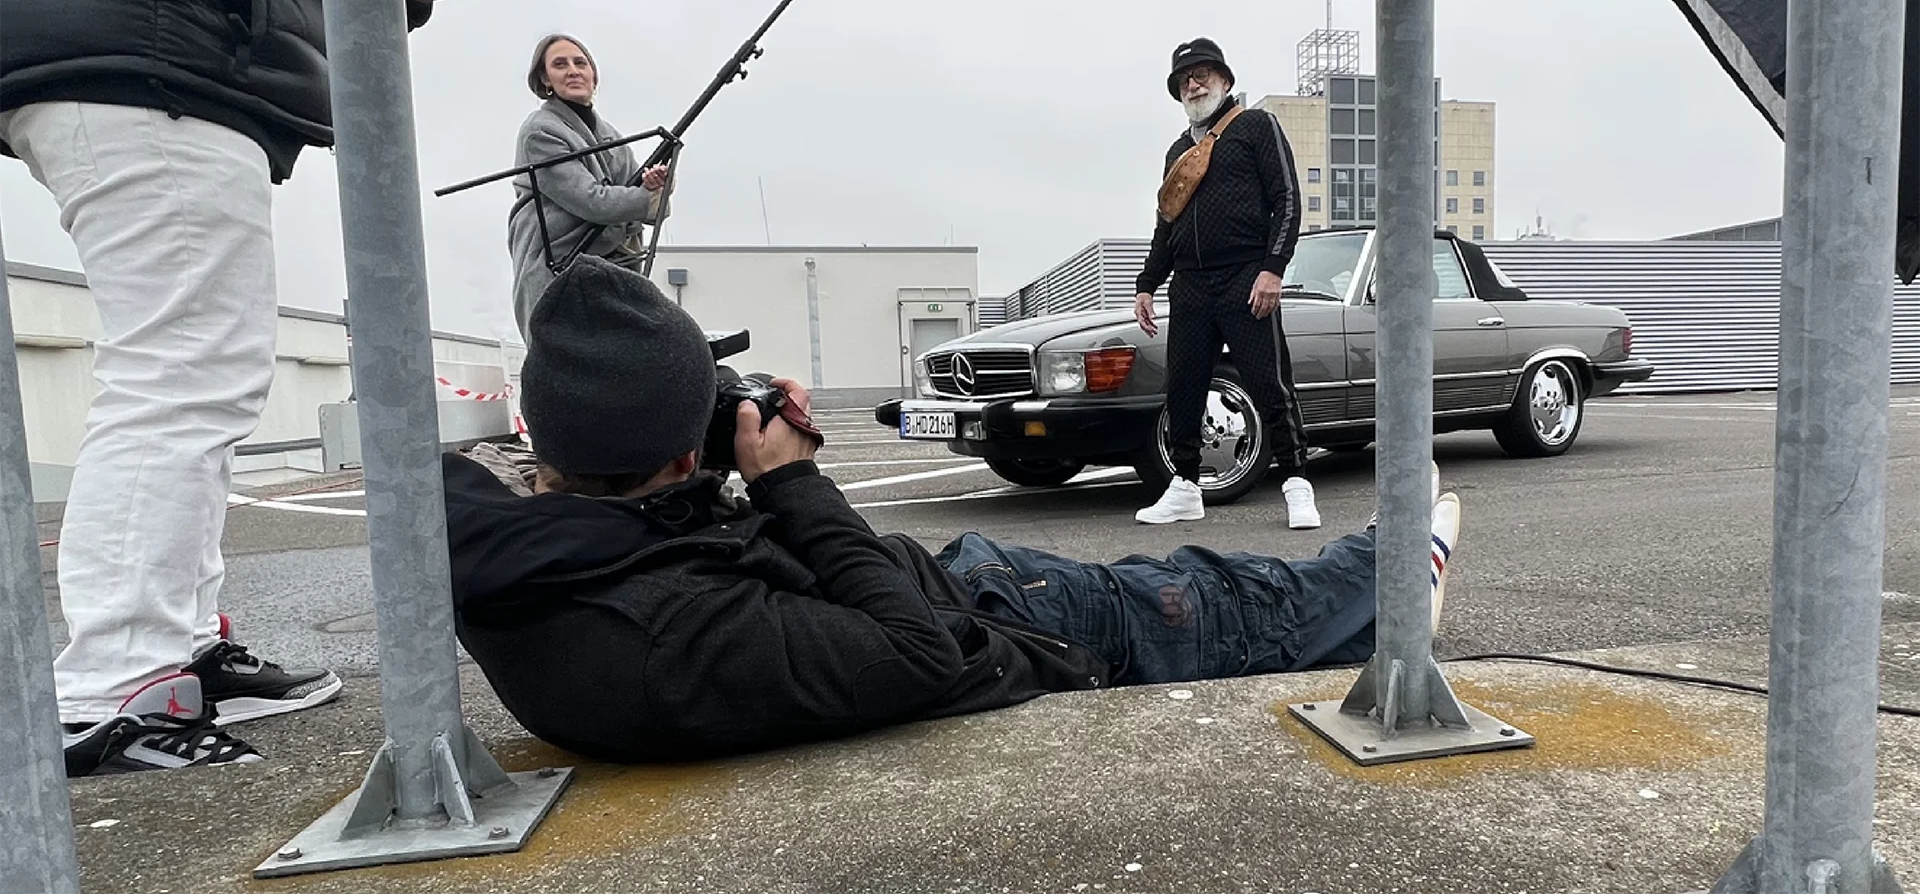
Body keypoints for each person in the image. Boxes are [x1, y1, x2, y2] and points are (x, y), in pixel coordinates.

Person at [440, 257, 1462, 764]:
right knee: (1203, 598)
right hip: (991, 624)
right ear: (669, 452)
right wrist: (791, 480)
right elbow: (916, 655)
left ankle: (1367, 586)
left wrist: (704, 454)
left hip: (935, 583)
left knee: (1185, 584)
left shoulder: (508, 548)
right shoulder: (670, 642)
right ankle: (1385, 583)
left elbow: (651, 518)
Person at [0, 0, 484, 776]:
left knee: (196, 373)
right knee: (180, 372)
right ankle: (113, 682)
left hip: (151, 41)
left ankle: (174, 647)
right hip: (138, 47)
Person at [1133, 38, 1318, 529]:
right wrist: (1147, 284)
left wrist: (1273, 268)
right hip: (1190, 285)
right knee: (1183, 389)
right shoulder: (1178, 151)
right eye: (1184, 80)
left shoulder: (1256, 126)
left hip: (1246, 276)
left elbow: (1287, 199)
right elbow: (1166, 225)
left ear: (1225, 80)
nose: (1193, 85)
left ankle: (1297, 483)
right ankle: (1185, 487)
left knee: (1269, 384)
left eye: (1202, 75)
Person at [507, 33, 672, 340]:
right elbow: (592, 202)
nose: (573, 71)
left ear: (593, 75)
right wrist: (645, 200)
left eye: (580, 63)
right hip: (559, 278)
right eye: (560, 64)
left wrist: (657, 185)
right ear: (545, 79)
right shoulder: (540, 132)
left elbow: (647, 202)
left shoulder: (611, 135)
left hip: (614, 273)